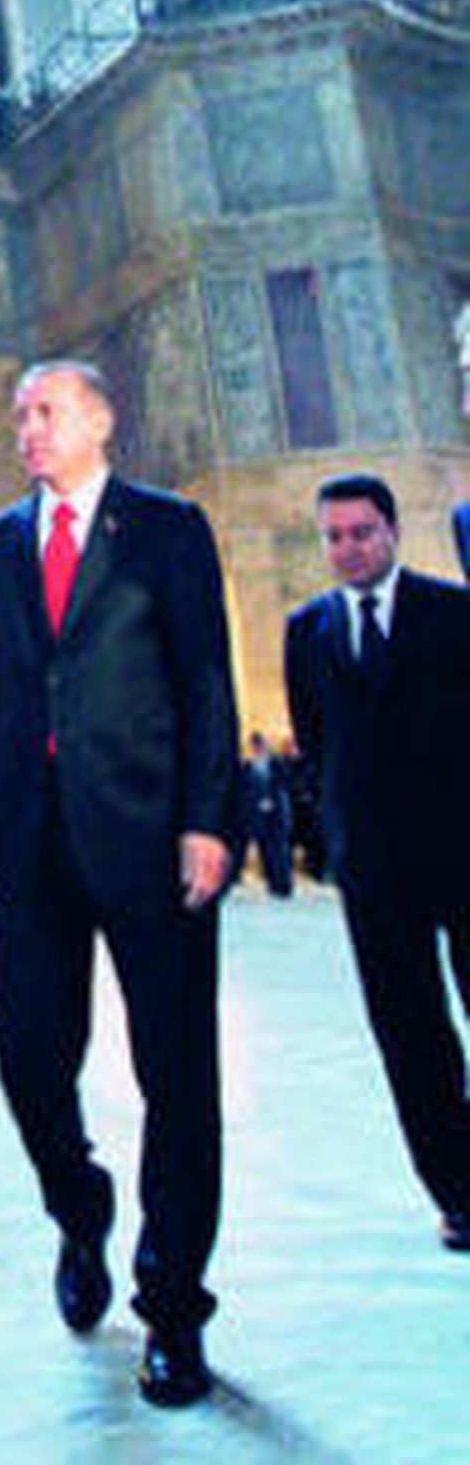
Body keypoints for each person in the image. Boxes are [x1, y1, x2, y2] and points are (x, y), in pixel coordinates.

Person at [0, 360, 239, 1410]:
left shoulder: (166, 527)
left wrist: (209, 816)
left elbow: (207, 674)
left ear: (101, 419)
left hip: (153, 832)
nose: (27, 428)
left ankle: (170, 1304)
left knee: (177, 1072)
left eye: (46, 411)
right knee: (22, 1044)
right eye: (18, 412)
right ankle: (79, 1204)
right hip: (29, 838)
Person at [284, 473, 470, 1253]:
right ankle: (459, 1191)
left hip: (463, 852)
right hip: (374, 871)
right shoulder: (307, 630)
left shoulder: (455, 614)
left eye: (361, 533)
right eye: (334, 536)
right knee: (409, 1031)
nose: (348, 548)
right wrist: (332, 842)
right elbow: (316, 744)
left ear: (392, 533)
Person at [240, 730, 294, 897]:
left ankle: (284, 885)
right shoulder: (250, 765)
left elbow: (283, 783)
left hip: (277, 813)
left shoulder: (276, 761)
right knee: (266, 851)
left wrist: (272, 800)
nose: (257, 747)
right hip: (259, 815)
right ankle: (272, 883)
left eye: (259, 743)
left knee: (281, 851)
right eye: (255, 744)